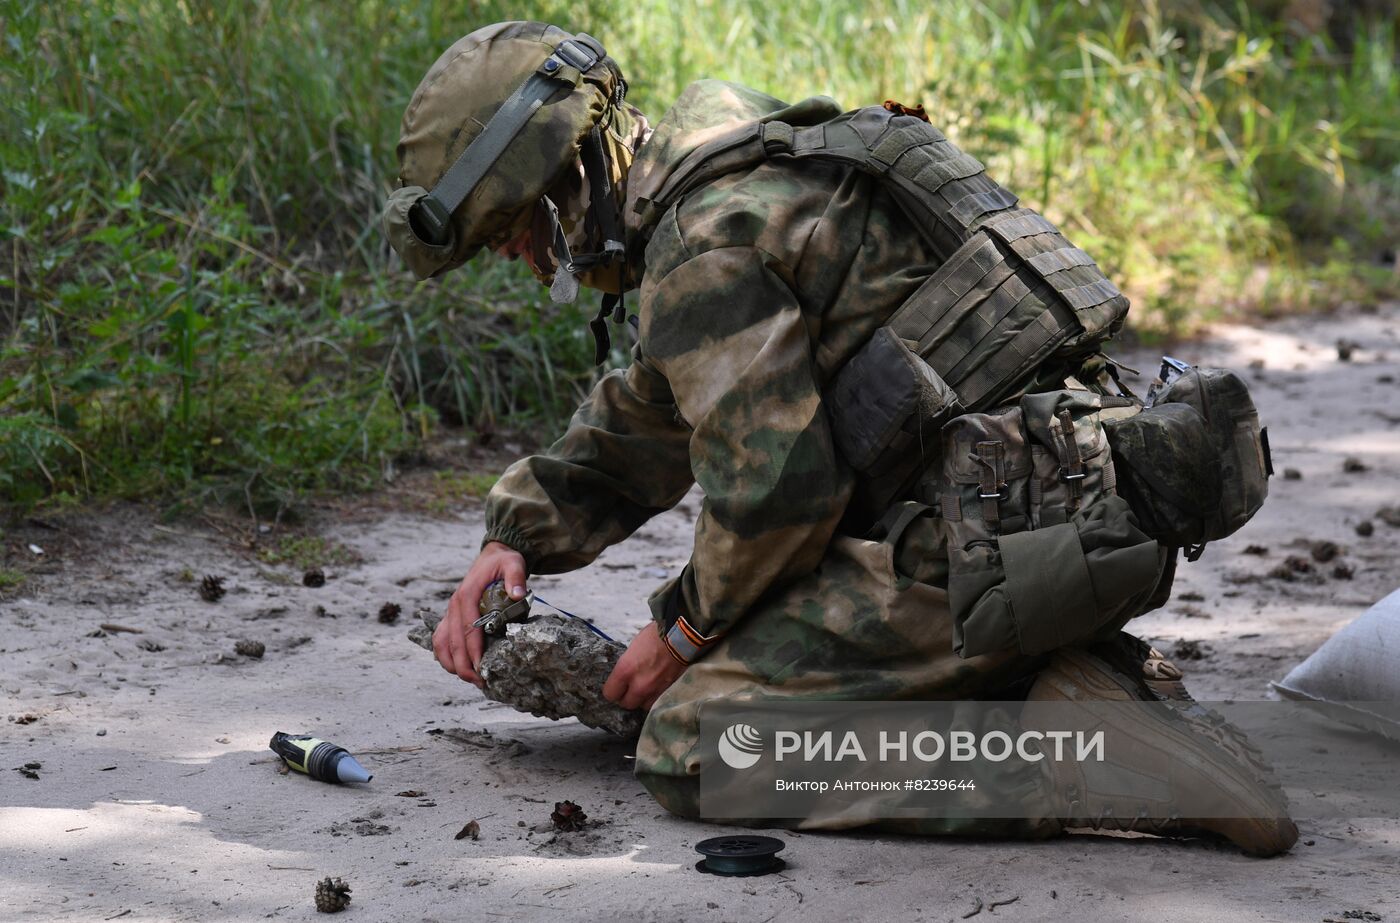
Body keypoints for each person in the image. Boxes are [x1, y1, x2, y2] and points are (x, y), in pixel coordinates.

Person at [383, 20, 1297, 856]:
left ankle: (1077, 757)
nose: (517, 257)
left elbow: (780, 497)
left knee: (698, 742)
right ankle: (1078, 682)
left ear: (556, 185)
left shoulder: (702, 244)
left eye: (510, 232)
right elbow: (659, 404)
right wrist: (516, 535)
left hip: (994, 551)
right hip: (1067, 518)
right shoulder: (738, 158)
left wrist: (682, 627)